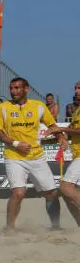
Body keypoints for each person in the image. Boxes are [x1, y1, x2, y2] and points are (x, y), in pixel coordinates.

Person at [0, 77, 68, 231]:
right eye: (11, 88)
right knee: (18, 193)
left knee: (52, 192)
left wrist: (60, 137)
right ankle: (10, 228)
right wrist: (16, 144)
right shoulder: (2, 108)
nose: (13, 91)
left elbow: (52, 125)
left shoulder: (38, 106)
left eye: (17, 88)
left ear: (26, 89)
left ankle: (55, 226)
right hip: (14, 156)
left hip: (36, 156)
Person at [49, 81, 80, 227]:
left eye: (79, 88)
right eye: (75, 88)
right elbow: (70, 131)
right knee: (67, 195)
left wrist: (61, 130)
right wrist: (58, 137)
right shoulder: (77, 111)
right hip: (77, 155)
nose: (76, 91)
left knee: (65, 188)